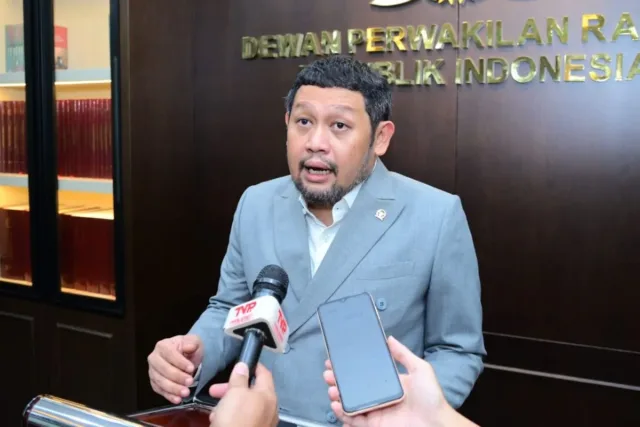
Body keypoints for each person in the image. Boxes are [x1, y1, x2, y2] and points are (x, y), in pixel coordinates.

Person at [146, 54, 486, 424]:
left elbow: (457, 349)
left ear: (380, 138)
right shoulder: (256, 203)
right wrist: (194, 354)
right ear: (286, 125)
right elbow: (230, 307)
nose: (315, 142)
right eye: (304, 122)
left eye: (339, 125)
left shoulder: (435, 215)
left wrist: (409, 413)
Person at [206, 337, 478, 427]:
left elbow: (457, 348)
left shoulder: (436, 221)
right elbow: (229, 304)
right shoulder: (251, 216)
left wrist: (436, 418)